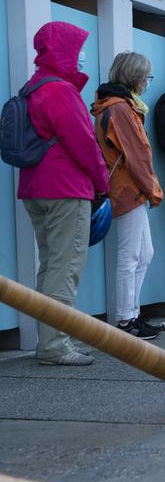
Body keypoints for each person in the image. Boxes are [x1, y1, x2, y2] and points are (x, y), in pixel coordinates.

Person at [17, 21, 109, 365]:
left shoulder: (32, 87)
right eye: (78, 46)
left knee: (50, 266)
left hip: (35, 188)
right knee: (65, 266)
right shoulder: (60, 91)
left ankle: (52, 340)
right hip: (65, 189)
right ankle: (55, 346)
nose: (83, 54)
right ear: (65, 50)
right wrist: (102, 184)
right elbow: (84, 143)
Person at [93, 51, 164, 341]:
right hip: (127, 189)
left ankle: (132, 314)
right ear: (136, 78)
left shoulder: (112, 106)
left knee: (143, 253)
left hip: (127, 189)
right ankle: (125, 319)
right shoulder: (121, 109)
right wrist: (153, 190)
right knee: (131, 255)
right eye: (147, 76)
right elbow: (137, 155)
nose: (148, 82)